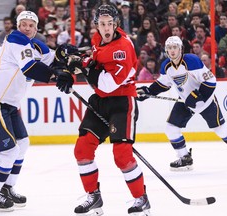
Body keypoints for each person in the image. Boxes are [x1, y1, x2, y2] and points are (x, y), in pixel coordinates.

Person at [0, 11, 75, 212]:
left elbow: (52, 60)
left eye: (30, 25)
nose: (26, 28)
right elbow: (30, 68)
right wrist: (56, 76)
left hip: (7, 104)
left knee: (22, 144)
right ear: (17, 26)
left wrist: (66, 58)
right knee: (9, 150)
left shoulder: (35, 45)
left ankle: (6, 187)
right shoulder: (16, 39)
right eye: (23, 24)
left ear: (37, 29)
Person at [69, 4, 150, 216]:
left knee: (122, 155)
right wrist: (81, 62)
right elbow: (94, 61)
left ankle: (140, 199)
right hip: (101, 102)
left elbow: (106, 83)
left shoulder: (123, 48)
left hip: (122, 102)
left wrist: (83, 67)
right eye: (102, 24)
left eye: (110, 24)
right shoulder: (97, 39)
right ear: (97, 25)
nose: (106, 28)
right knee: (82, 150)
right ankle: (93, 196)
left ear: (116, 24)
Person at [136, 36, 227, 171]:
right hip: (185, 101)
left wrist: (197, 96)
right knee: (171, 128)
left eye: (175, 47)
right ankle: (185, 157)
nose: (172, 51)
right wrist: (148, 92)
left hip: (205, 101)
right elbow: (162, 85)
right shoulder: (166, 66)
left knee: (219, 129)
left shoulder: (192, 61)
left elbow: (210, 82)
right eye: (169, 48)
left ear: (181, 49)